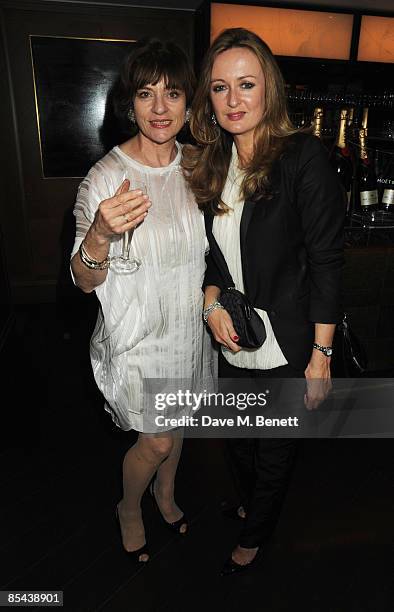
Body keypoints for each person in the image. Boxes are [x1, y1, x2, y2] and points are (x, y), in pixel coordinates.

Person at [182, 28, 344, 575]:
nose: (233, 100)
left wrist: (322, 356)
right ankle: (254, 505)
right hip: (236, 332)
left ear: (268, 89)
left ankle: (257, 535)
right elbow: (213, 258)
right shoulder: (213, 164)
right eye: (221, 88)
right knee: (237, 438)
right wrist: (212, 304)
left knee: (274, 446)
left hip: (291, 339)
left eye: (245, 84)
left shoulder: (302, 157)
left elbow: (326, 261)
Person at [70, 38, 214, 563]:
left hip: (189, 330)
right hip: (138, 336)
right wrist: (100, 237)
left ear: (188, 104)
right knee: (154, 440)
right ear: (128, 103)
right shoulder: (105, 178)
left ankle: (166, 493)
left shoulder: (199, 166)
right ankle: (130, 505)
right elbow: (83, 280)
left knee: (179, 427)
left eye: (173, 95)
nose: (159, 109)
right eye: (146, 94)